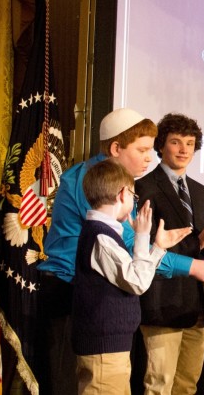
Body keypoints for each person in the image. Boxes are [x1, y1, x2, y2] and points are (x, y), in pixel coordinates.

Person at [37, 108, 204, 395]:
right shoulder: (95, 181)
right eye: (142, 150)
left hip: (94, 301)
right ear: (116, 148)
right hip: (70, 297)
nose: (149, 158)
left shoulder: (114, 181)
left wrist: (159, 245)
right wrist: (194, 266)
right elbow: (126, 247)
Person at [72, 159, 189, 394]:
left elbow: (134, 276)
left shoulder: (104, 234)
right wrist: (143, 237)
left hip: (111, 349)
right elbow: (137, 283)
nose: (135, 206)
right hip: (104, 352)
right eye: (134, 199)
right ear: (123, 194)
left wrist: (157, 247)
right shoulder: (100, 237)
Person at [135, 112, 204, 395]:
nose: (183, 150)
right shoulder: (144, 187)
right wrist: (197, 242)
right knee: (159, 384)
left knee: (187, 385)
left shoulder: (201, 192)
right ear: (161, 146)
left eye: (189, 143)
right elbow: (147, 246)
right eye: (176, 142)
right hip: (161, 300)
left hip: (196, 304)